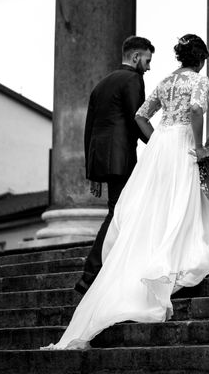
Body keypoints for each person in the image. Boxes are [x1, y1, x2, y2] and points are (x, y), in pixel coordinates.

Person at [42, 34, 209, 350]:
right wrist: (200, 147)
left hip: (161, 146)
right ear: (200, 59)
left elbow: (140, 116)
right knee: (179, 199)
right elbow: (198, 109)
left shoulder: (163, 82)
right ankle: (173, 256)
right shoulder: (198, 80)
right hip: (183, 143)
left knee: (157, 202)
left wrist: (159, 140)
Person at [74, 35, 155, 296]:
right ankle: (90, 274)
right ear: (135, 57)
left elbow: (90, 129)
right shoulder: (133, 79)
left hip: (102, 157)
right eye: (147, 60)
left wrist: (92, 171)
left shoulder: (101, 84)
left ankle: (111, 268)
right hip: (120, 157)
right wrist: (159, 144)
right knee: (118, 212)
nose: (149, 67)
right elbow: (137, 118)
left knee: (120, 210)